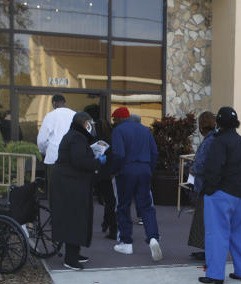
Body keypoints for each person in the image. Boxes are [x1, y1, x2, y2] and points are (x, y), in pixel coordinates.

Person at [200, 107, 241, 284]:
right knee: (238, 235)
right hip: (240, 195)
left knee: (217, 234)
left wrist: (209, 190)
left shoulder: (219, 142)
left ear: (218, 122)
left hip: (221, 194)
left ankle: (215, 274)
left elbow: (213, 169)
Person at [50, 112, 106, 270]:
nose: (92, 126)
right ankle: (70, 258)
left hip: (70, 183)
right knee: (75, 219)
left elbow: (78, 157)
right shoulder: (77, 137)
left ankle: (75, 253)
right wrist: (97, 162)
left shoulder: (74, 135)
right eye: (90, 123)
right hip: (71, 185)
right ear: (84, 123)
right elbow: (79, 161)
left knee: (75, 219)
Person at [110, 106, 162, 261]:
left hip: (126, 171)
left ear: (119, 118)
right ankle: (153, 238)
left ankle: (126, 242)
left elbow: (118, 154)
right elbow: (154, 153)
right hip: (144, 170)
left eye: (114, 119)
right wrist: (149, 169)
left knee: (123, 205)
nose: (114, 122)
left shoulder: (118, 131)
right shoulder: (145, 130)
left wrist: (113, 170)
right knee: (146, 207)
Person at [84, 103, 118, 241]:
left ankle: (86, 228)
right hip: (107, 169)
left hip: (94, 168)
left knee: (87, 199)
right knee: (110, 200)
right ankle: (111, 227)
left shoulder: (90, 129)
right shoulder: (108, 126)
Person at [187, 111, 217, 261]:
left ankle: (208, 252)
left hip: (205, 186)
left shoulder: (209, 141)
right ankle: (206, 250)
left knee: (205, 221)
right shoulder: (216, 138)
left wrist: (193, 169)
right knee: (205, 220)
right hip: (211, 186)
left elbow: (202, 164)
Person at [36, 94, 76, 195]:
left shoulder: (50, 116)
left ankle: (55, 210)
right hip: (73, 158)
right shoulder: (75, 115)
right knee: (71, 189)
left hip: (54, 158)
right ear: (65, 103)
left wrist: (45, 151)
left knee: (54, 190)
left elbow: (42, 140)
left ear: (53, 104)